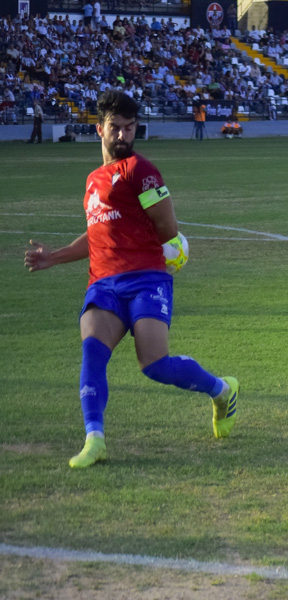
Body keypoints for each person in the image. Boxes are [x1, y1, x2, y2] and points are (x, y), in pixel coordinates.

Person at [23, 91, 239, 469]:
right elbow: (95, 235)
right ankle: (95, 439)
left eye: (129, 128)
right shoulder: (92, 181)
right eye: (115, 128)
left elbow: (168, 227)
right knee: (92, 353)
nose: (122, 136)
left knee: (154, 364)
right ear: (99, 130)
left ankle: (222, 390)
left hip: (146, 279)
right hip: (103, 283)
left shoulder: (142, 170)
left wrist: (150, 247)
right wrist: (52, 258)